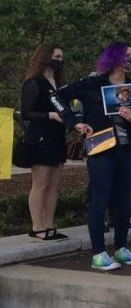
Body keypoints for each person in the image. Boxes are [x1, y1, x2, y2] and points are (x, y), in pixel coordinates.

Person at [52, 42, 131, 271]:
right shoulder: (92, 83)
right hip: (101, 148)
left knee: (123, 199)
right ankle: (99, 253)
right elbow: (56, 97)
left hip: (128, 149)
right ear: (114, 58)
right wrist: (74, 122)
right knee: (99, 200)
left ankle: (121, 247)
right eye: (127, 56)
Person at [20, 43, 68, 241]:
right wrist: (50, 115)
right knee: (40, 183)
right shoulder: (34, 82)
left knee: (54, 185)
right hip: (41, 136)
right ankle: (37, 226)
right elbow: (26, 113)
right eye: (56, 57)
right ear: (46, 57)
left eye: (61, 58)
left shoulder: (58, 82)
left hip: (58, 136)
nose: (59, 61)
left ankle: (49, 224)